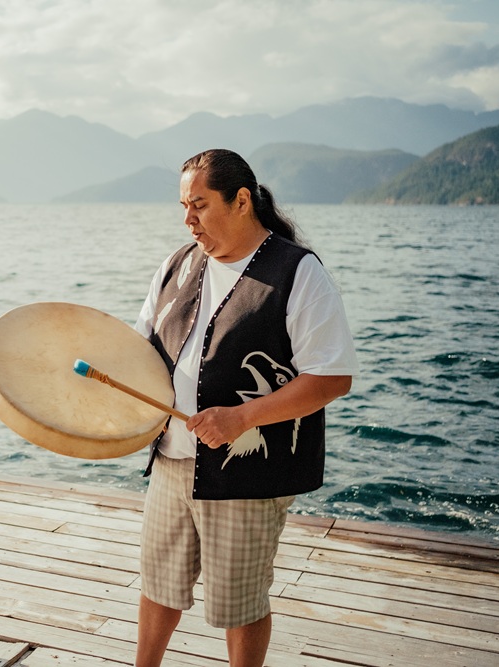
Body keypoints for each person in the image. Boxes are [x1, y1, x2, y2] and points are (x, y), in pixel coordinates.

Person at [133, 149, 357, 667]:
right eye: (183, 206)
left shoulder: (297, 272)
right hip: (171, 459)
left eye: (199, 205)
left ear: (240, 201)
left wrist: (241, 417)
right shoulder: (175, 264)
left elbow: (332, 375)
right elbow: (140, 348)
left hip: (248, 472)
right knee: (158, 585)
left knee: (239, 602)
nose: (188, 220)